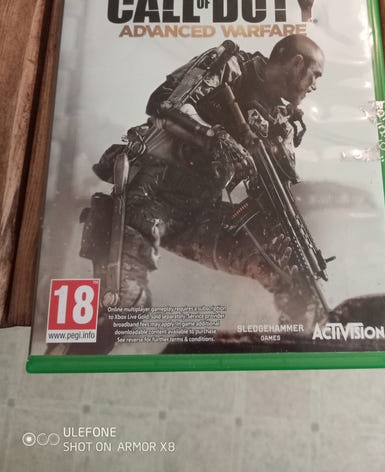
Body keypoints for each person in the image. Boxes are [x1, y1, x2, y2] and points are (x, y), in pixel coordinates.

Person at [80, 34, 326, 353]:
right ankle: (70, 358)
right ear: (296, 63)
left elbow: (275, 195)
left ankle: (297, 352)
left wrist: (282, 238)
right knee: (123, 305)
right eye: (315, 75)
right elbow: (165, 105)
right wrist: (215, 138)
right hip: (149, 198)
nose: (314, 86)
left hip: (201, 214)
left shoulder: (284, 123)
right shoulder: (231, 66)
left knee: (297, 280)